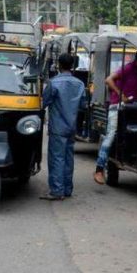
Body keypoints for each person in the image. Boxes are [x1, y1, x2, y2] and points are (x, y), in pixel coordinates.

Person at [93, 50, 137, 184]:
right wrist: (121, 94)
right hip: (118, 106)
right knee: (111, 134)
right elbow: (109, 80)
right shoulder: (128, 68)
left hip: (134, 107)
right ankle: (99, 169)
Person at [41, 53, 86, 200]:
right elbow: (83, 105)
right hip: (72, 126)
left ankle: (56, 191)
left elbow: (44, 103)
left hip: (58, 127)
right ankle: (67, 189)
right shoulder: (79, 84)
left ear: (59, 65)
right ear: (72, 65)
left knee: (57, 158)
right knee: (68, 158)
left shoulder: (54, 83)